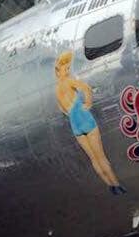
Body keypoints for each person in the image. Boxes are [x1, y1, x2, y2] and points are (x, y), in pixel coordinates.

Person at [54, 51, 126, 194]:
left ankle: (110, 186)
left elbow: (61, 108)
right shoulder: (69, 81)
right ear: (58, 71)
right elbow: (86, 88)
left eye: (68, 68)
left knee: (93, 158)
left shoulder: (57, 89)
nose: (67, 71)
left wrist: (71, 113)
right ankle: (116, 185)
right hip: (85, 119)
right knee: (101, 156)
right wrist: (88, 103)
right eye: (65, 69)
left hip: (75, 124)